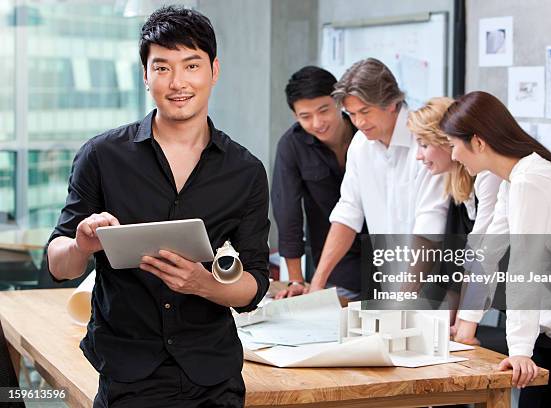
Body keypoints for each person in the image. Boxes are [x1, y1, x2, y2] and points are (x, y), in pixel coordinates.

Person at [47, 6, 270, 407]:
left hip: (214, 377)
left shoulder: (246, 171)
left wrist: (203, 284)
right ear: (145, 75)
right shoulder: (101, 156)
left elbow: (255, 283)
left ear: (214, 71)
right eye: (163, 68)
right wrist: (81, 246)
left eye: (191, 65)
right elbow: (58, 265)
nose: (178, 82)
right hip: (127, 375)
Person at [440, 91, 551, 408]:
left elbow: (524, 268)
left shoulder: (530, 181)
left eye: (453, 145)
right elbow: (488, 253)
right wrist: (466, 322)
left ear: (477, 142)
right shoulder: (511, 181)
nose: (453, 156)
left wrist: (519, 349)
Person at [308, 58, 449, 293]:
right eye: (351, 114)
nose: (359, 122)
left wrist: (402, 297)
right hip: (390, 281)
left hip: (435, 282)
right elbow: (348, 212)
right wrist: (317, 283)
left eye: (365, 111)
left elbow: (430, 225)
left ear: (392, 103)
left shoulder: (425, 144)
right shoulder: (361, 145)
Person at [407, 97, 505, 352]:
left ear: (446, 141)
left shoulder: (487, 177)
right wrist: (452, 324)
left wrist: (464, 324)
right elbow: (456, 267)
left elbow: (482, 256)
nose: (419, 156)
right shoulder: (455, 183)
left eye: (424, 145)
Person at [272, 66, 362, 300]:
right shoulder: (292, 146)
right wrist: (296, 280)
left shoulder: (365, 133)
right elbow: (288, 214)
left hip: (384, 253)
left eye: (324, 110)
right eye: (305, 117)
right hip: (335, 263)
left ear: (338, 102)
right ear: (295, 116)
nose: (317, 122)